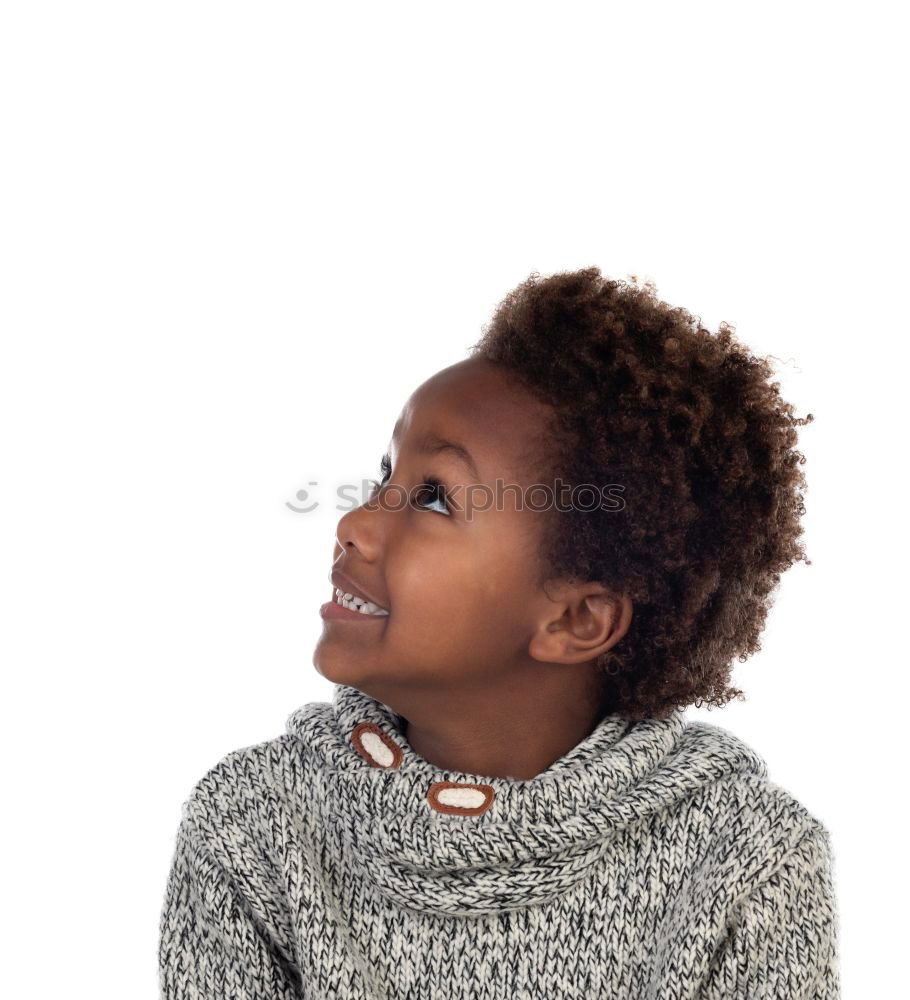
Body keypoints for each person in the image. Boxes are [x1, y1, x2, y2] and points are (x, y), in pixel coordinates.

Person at [158, 267, 840, 998]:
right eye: (387, 474)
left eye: (433, 499)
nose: (354, 525)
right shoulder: (251, 825)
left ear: (576, 619)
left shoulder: (750, 858)